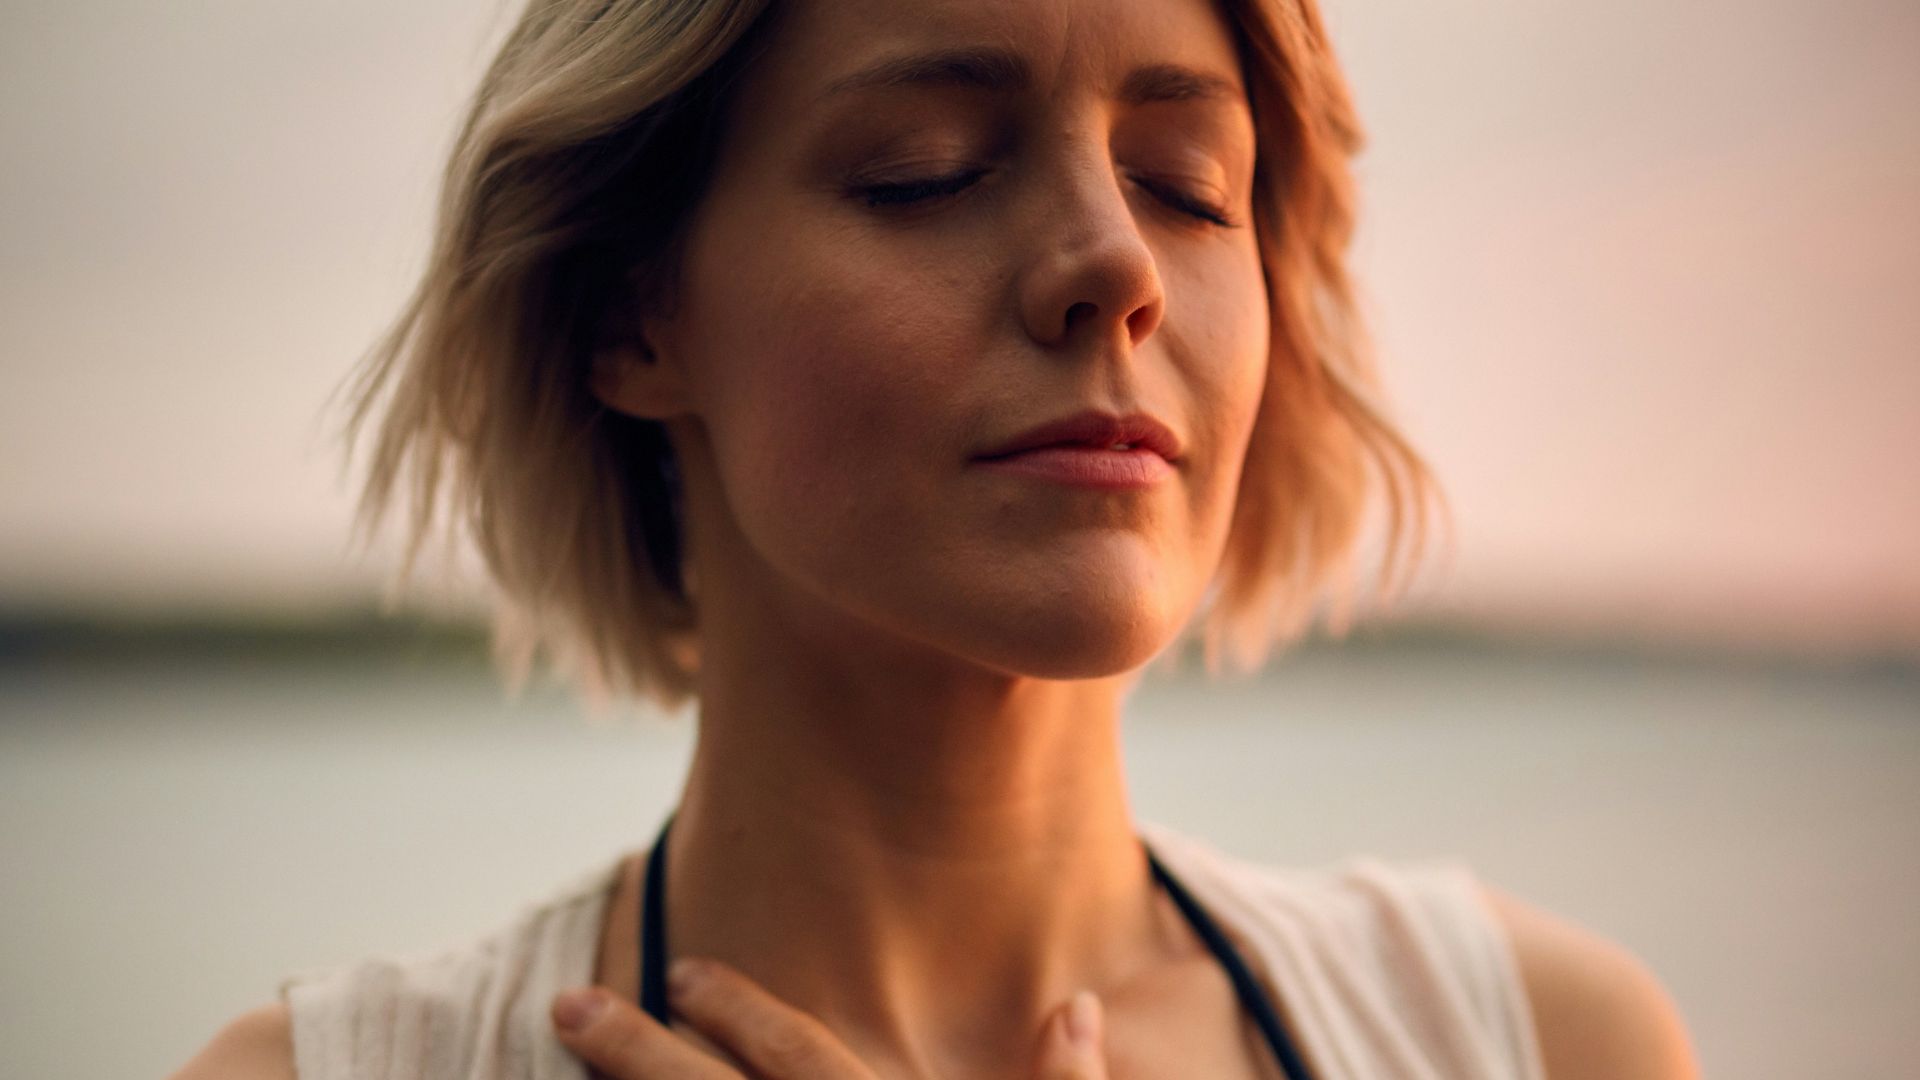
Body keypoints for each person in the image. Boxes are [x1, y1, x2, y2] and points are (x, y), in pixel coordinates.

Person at [171, 0, 1699, 1076]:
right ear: (631, 313)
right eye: (929, 169)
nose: (1113, 260)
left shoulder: (1535, 1045)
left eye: (1188, 186)